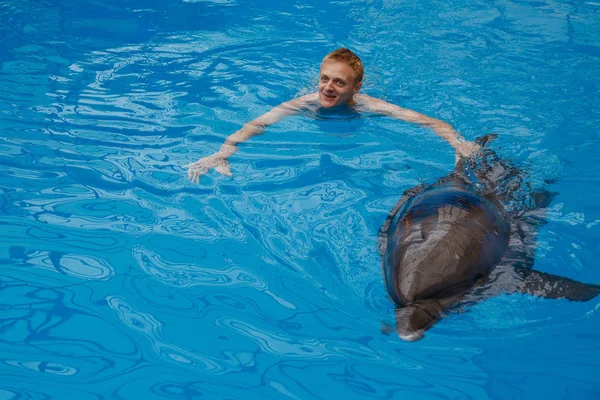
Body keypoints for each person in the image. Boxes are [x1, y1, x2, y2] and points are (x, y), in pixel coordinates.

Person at [184, 48, 479, 183]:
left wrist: (457, 142)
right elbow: (258, 124)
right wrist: (222, 153)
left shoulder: (368, 105)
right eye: (324, 78)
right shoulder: (305, 103)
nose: (327, 87)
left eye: (339, 82)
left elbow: (428, 121)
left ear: (356, 88)